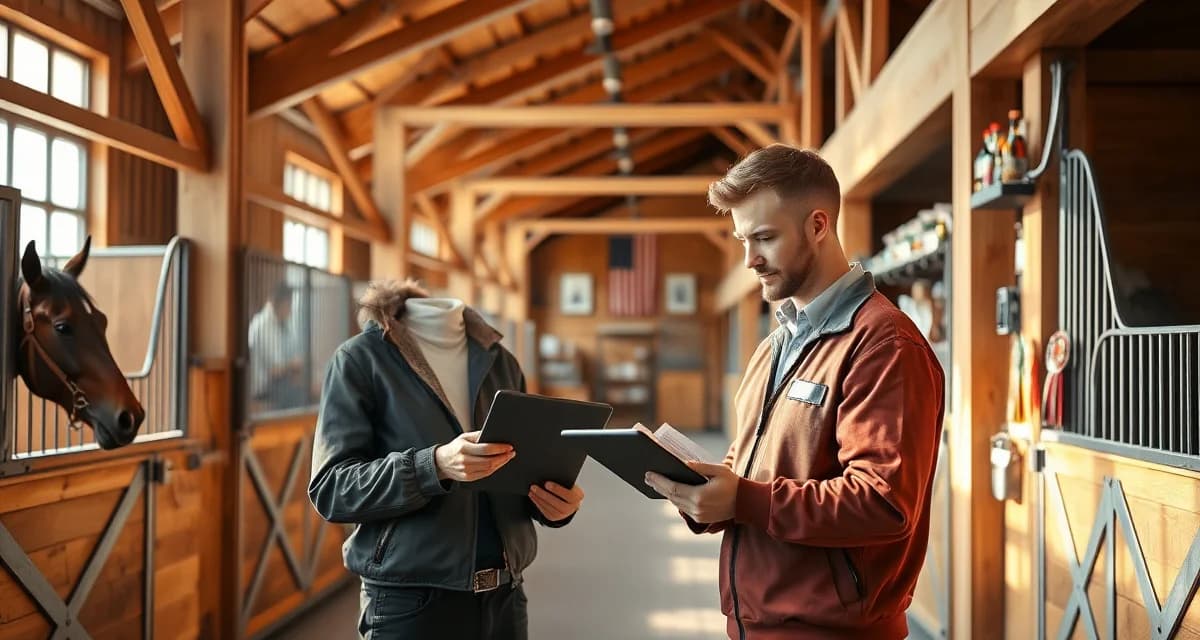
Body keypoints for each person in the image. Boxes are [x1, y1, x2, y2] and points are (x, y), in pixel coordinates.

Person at [645, 144, 945, 639]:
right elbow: (751, 472)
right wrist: (707, 496)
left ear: (818, 226)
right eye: (743, 239)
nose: (749, 260)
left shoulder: (884, 345)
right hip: (755, 623)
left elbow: (882, 502)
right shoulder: (775, 345)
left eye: (763, 237)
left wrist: (744, 501)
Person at [308, 280, 585, 639]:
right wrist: (433, 465)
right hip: (409, 604)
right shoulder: (359, 361)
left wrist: (556, 505)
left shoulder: (502, 362)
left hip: (506, 596)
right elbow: (331, 488)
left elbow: (518, 474)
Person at [247, 281, 306, 409]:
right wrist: (293, 364)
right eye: (290, 305)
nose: (290, 310)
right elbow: (274, 370)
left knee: (304, 388)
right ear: (282, 303)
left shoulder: (281, 323)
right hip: (263, 388)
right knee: (301, 395)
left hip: (277, 384)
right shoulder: (263, 325)